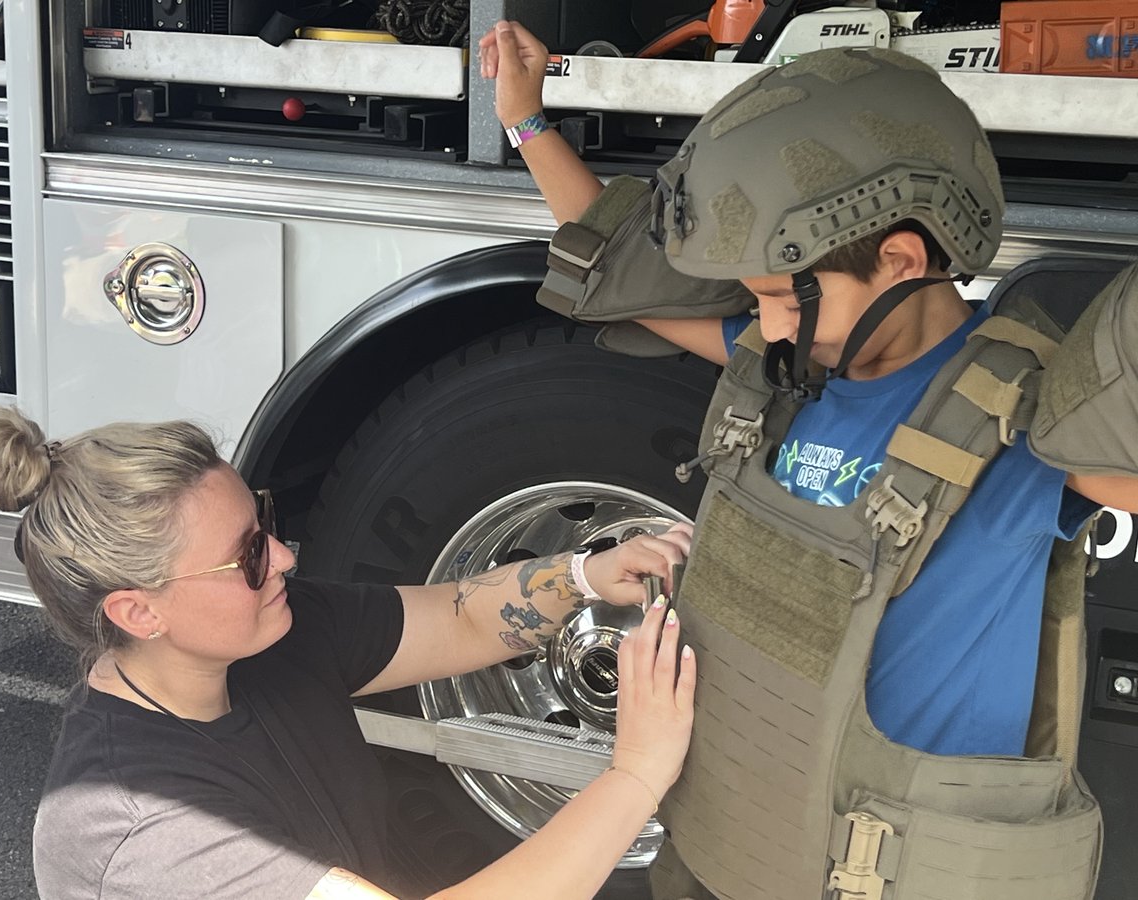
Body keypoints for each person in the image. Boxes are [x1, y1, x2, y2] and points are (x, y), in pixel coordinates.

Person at [481, 23, 1138, 898]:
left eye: (779, 300)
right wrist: (525, 119)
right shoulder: (786, 370)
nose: (768, 327)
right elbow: (617, 269)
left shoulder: (1024, 430)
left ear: (902, 259)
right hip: (732, 857)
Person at [0, 406, 697, 900]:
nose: (282, 556)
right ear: (138, 611)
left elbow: (458, 621)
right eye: (245, 555)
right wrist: (635, 772)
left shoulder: (268, 636)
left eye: (266, 523)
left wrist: (584, 574)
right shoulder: (142, 828)